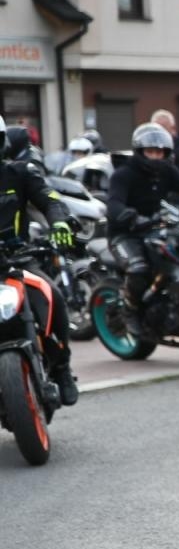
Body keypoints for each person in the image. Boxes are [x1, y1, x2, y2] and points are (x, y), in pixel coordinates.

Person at [0, 115, 79, 405]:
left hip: (17, 258)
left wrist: (59, 224)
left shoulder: (20, 173)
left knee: (53, 296)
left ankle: (62, 367)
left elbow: (49, 199)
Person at [105, 122, 179, 312]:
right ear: (140, 151)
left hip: (154, 229)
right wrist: (130, 216)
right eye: (151, 152)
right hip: (125, 233)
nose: (156, 156)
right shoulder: (124, 174)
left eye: (160, 152)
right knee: (139, 269)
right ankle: (130, 310)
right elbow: (114, 204)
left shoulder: (166, 171)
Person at [151, 109, 179, 181]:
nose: (159, 131)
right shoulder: (148, 150)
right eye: (155, 128)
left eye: (163, 127)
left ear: (172, 128)